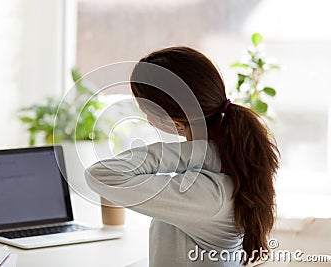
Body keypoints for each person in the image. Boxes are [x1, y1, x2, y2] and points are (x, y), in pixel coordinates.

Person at [85, 46, 279, 266]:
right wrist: (206, 150)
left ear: (176, 123)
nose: (147, 119)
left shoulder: (209, 193)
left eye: (145, 110)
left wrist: (201, 149)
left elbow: (101, 174)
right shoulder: (221, 171)